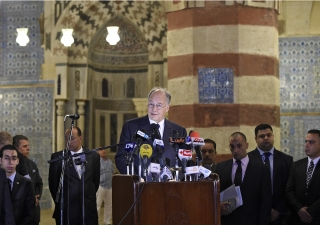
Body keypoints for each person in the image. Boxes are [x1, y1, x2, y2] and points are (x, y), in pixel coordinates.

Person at [115, 87, 187, 175]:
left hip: (169, 186)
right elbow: (121, 158)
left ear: (167, 108)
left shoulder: (179, 131)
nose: (154, 109)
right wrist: (134, 179)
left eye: (159, 105)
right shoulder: (131, 127)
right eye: (151, 104)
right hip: (139, 186)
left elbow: (183, 163)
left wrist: (174, 181)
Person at [214, 132, 272, 225]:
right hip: (227, 220)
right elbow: (215, 194)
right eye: (232, 146)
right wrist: (219, 206)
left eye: (239, 145)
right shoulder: (220, 167)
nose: (235, 150)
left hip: (252, 220)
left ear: (246, 145)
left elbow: (266, 201)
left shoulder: (261, 169)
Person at [48, 127, 100, 225]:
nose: (68, 141)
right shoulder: (58, 157)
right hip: (67, 211)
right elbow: (53, 185)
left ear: (80, 138)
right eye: (66, 138)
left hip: (88, 211)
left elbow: (95, 182)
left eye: (72, 138)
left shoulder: (93, 156)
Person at [248, 124, 293, 225]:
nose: (266, 138)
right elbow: (248, 189)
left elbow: (289, 188)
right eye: (262, 136)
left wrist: (277, 210)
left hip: (281, 216)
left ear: (273, 136)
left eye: (269, 135)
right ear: (256, 139)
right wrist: (266, 210)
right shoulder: (247, 159)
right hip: (255, 215)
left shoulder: (286, 160)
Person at [285, 129, 320, 225]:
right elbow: (289, 190)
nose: (306, 145)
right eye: (306, 142)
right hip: (296, 218)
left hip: (317, 218)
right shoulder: (296, 165)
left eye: (311, 142)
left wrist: (310, 212)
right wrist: (299, 209)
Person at [0, 144, 35, 225]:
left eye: (14, 158)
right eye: (6, 158)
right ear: (0, 160)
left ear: (18, 161)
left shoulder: (27, 183)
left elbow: (30, 213)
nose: (10, 162)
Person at [13, 135, 43, 225]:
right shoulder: (12, 166)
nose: (28, 148)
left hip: (33, 212)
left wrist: (36, 197)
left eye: (28, 146)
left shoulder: (32, 164)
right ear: (16, 148)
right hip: (19, 213)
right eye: (24, 146)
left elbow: (39, 183)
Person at [96, 149, 114, 225]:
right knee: (97, 205)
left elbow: (112, 172)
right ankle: (95, 221)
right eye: (100, 150)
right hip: (100, 186)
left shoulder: (110, 161)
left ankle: (107, 222)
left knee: (109, 205)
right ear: (97, 153)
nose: (103, 151)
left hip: (109, 186)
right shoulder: (97, 162)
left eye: (103, 150)